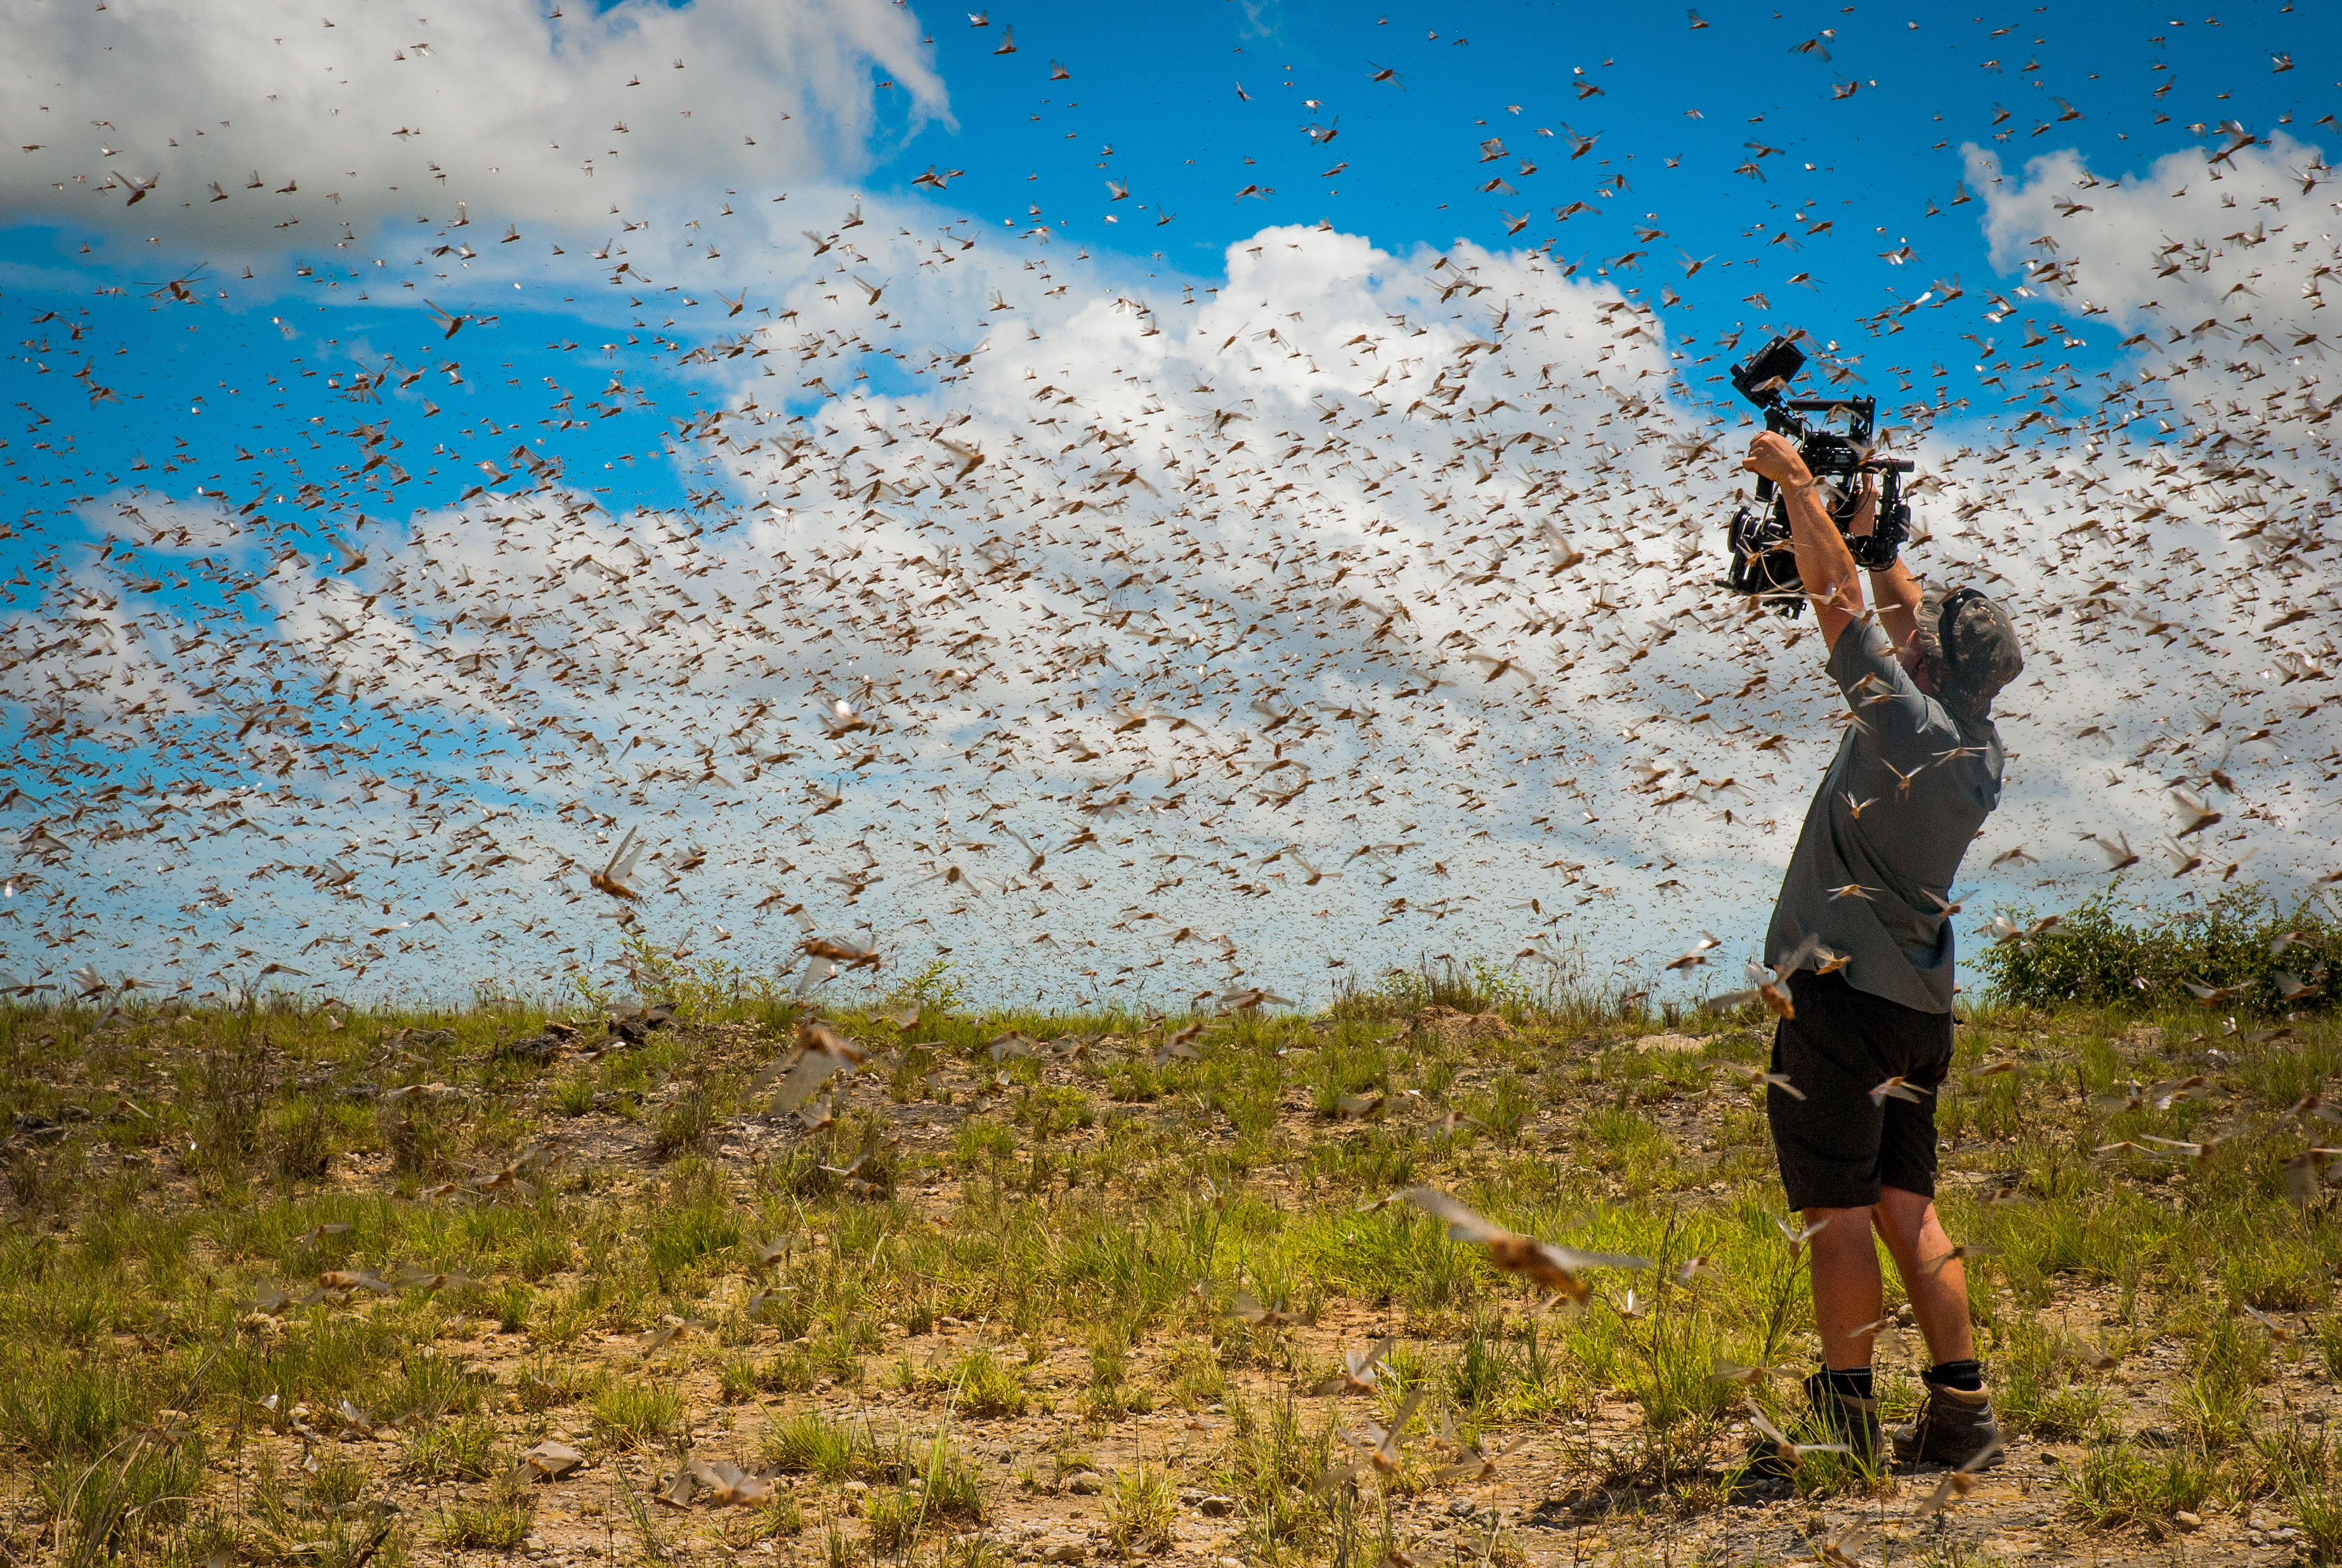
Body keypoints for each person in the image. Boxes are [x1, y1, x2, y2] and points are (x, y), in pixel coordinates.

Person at [1739, 429, 2025, 1475]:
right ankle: (1963, 1415)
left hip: (1838, 1004)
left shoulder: (1900, 723)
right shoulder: (1976, 746)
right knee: (1911, 1209)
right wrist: (1874, 538)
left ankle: (1845, 1418)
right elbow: (1901, 618)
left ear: (1928, 666)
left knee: (1837, 1217)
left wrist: (1803, 490)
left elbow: (1836, 609)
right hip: (1918, 1014)